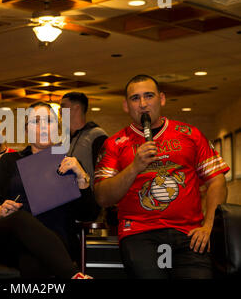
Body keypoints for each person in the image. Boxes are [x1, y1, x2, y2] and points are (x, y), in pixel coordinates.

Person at [94, 74, 229, 279]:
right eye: (135, 98)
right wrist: (134, 167)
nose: (143, 104)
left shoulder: (190, 134)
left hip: (190, 234)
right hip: (139, 234)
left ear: (162, 99)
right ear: (125, 105)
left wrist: (209, 225)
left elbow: (216, 180)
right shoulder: (114, 144)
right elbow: (102, 197)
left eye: (149, 96)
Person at [0, 102, 100, 278]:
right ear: (26, 131)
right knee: (20, 218)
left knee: (33, 257)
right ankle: (73, 274)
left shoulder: (70, 164)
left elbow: (88, 215)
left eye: (49, 121)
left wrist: (82, 178)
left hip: (56, 242)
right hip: (6, 240)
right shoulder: (9, 162)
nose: (43, 127)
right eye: (36, 121)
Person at [60, 92, 107, 178]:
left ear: (76, 108)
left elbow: (104, 173)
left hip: (89, 190)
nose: (60, 110)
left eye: (63, 106)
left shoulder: (96, 135)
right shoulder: (66, 139)